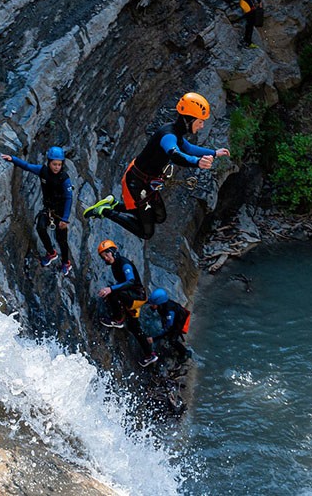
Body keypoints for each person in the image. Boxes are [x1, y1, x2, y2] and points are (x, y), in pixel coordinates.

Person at [83, 92, 230, 240]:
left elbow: (189, 148)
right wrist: (197, 162)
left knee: (159, 217)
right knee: (146, 233)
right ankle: (104, 211)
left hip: (148, 181)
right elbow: (175, 154)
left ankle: (114, 205)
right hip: (137, 182)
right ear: (189, 120)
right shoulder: (168, 135)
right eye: (200, 121)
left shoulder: (176, 132)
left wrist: (214, 152)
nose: (202, 126)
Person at [0, 146, 74, 275]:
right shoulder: (42, 171)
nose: (57, 167)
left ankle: (66, 262)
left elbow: (69, 198)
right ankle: (51, 253)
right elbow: (27, 166)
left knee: (62, 240)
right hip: (49, 210)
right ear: (49, 162)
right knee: (40, 228)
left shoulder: (64, 178)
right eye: (54, 164)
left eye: (59, 164)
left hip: (61, 214)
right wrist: (13, 159)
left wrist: (65, 219)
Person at [96, 239, 157, 367]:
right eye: (103, 257)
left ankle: (118, 319)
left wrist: (111, 289)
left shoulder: (124, 263)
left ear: (113, 252)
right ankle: (150, 355)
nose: (106, 258)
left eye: (107, 254)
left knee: (112, 291)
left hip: (136, 297)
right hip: (132, 297)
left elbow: (130, 281)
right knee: (135, 327)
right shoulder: (115, 265)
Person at [145, 288, 191, 363]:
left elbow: (168, 328)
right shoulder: (161, 305)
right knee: (167, 330)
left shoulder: (170, 312)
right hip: (174, 318)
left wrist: (154, 339)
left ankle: (185, 353)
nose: (151, 305)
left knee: (172, 340)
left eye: (153, 304)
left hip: (179, 321)